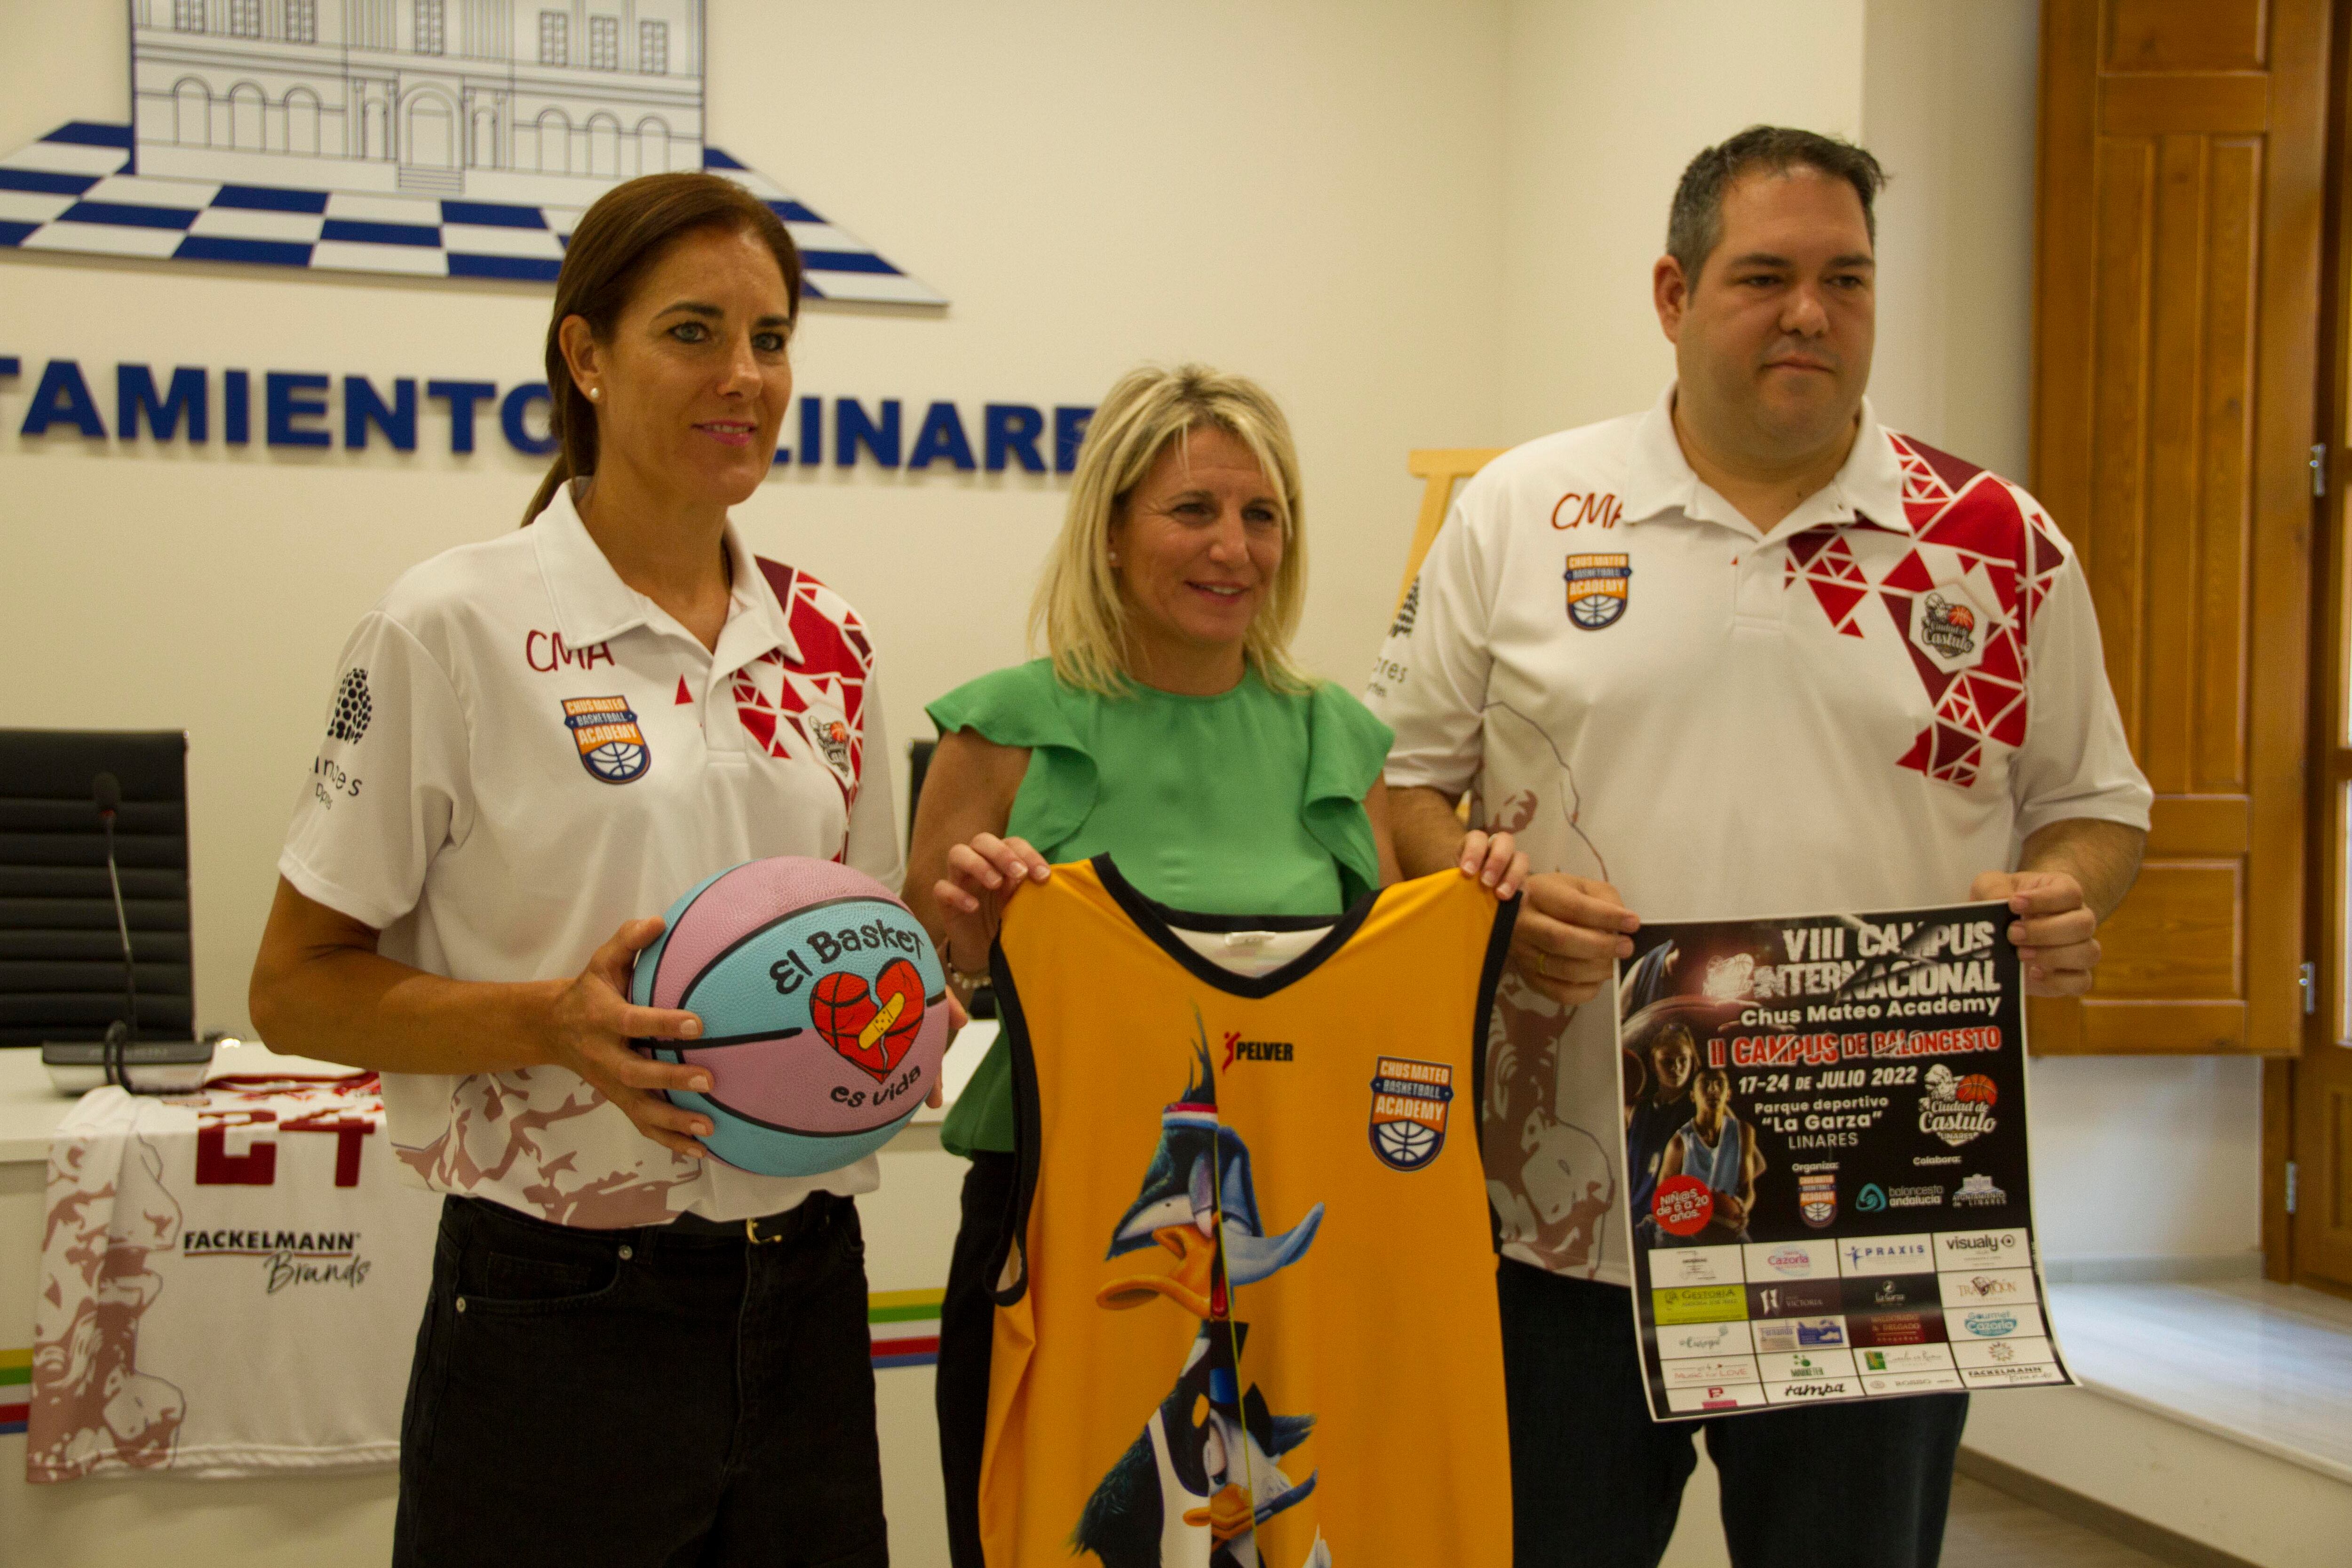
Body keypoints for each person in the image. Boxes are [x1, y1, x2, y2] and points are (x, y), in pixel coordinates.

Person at [1367, 125, 2153, 1568]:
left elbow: (2098, 807)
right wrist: (1486, 906)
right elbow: (1404, 791)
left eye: (1846, 278)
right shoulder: (1524, 513)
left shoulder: (1989, 539)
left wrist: (2060, 897)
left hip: (1879, 1222)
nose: (1809, 312)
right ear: (1670, 293)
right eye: (1763, 276)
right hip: (1565, 1219)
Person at [248, 172, 906, 1568]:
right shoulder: (452, 626)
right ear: (586, 354)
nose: (742, 375)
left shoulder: (832, 639)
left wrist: (934, 967)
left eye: (771, 339)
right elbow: (296, 989)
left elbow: (867, 942)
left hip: (804, 1286)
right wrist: (548, 1019)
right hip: (556, 1301)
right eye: (692, 332)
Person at [900, 363, 1526, 1568]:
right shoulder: (1002, 732)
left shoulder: (1341, 740)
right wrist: (971, 931)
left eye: (1261, 514)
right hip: (1063, 1216)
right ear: (1114, 530)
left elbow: (1402, 987)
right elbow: (932, 967)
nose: (1232, 547)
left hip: (1309, 1225)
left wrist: (1486, 892)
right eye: (1193, 511)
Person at [1661, 1067, 1763, 1243]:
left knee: (1748, 1249)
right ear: (1693, 1096)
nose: (1713, 1089)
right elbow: (1664, 1198)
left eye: (1719, 1084)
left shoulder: (1744, 1132)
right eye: (1705, 1084)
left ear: (1728, 1095)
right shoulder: (1679, 1142)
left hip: (1724, 1219)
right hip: (1689, 1225)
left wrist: (1741, 1211)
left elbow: (1747, 1187)